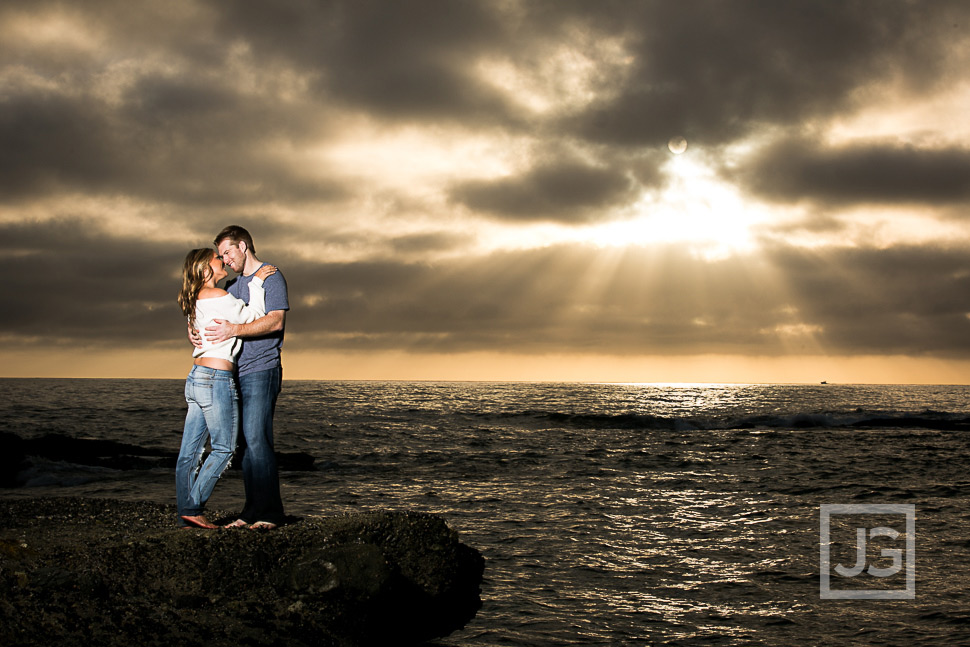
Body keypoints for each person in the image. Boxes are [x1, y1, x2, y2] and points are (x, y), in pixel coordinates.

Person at [195, 225, 289, 530]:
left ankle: (270, 514)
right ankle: (251, 512)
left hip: (262, 369)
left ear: (243, 247)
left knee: (258, 439)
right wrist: (193, 329)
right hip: (235, 373)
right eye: (220, 255)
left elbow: (274, 321)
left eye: (227, 252)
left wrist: (234, 329)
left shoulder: (271, 276)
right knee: (246, 445)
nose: (224, 260)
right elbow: (213, 311)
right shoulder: (234, 285)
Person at [176, 248, 277, 529]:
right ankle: (193, 507)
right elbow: (255, 316)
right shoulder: (220, 296)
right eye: (217, 259)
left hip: (196, 377)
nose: (223, 262)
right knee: (223, 449)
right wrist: (257, 282)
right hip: (215, 379)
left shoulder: (194, 300)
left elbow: (196, 327)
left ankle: (186, 512)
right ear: (206, 269)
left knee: (190, 452)